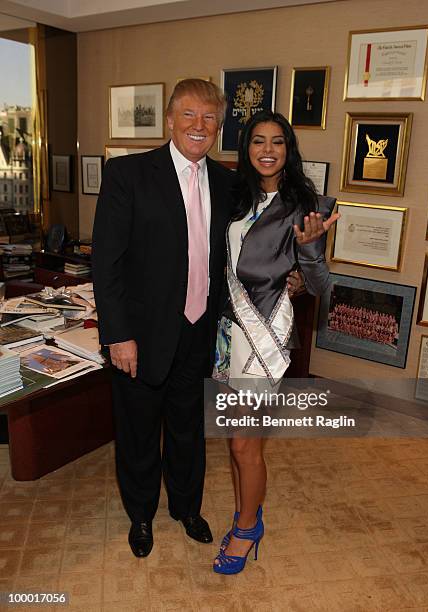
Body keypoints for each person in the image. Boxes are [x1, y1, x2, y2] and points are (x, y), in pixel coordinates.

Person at [92, 80, 302, 558]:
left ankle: (187, 508)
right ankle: (141, 515)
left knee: (188, 429)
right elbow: (106, 263)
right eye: (189, 115)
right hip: (140, 337)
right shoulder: (128, 174)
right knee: (140, 430)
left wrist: (294, 275)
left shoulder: (230, 184)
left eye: (209, 118)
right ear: (169, 120)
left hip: (202, 333)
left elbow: (256, 243)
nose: (199, 126)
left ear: (218, 126)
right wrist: (118, 335)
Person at [211, 110, 339, 575]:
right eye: (258, 141)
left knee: (246, 445)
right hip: (228, 333)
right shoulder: (232, 197)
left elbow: (321, 285)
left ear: (289, 149)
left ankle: (247, 530)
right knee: (236, 442)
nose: (268, 150)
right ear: (246, 148)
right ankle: (249, 512)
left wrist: (307, 253)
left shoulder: (310, 205)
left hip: (265, 333)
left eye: (278, 142)